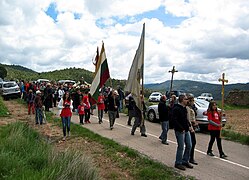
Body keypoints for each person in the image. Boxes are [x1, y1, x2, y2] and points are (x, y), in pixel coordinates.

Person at [173, 94, 193, 171]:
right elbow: (174, 120)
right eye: (186, 99)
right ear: (182, 100)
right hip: (180, 131)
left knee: (189, 145)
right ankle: (178, 162)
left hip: (186, 130)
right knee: (181, 146)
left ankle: (185, 160)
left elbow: (185, 119)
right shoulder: (176, 109)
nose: (187, 100)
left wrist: (189, 126)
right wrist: (181, 128)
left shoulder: (184, 108)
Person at [186, 95, 198, 165]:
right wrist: (191, 125)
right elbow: (188, 119)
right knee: (191, 143)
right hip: (190, 127)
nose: (193, 102)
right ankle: (190, 158)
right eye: (193, 101)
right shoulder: (187, 108)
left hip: (192, 126)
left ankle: (190, 157)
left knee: (192, 143)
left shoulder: (192, 108)